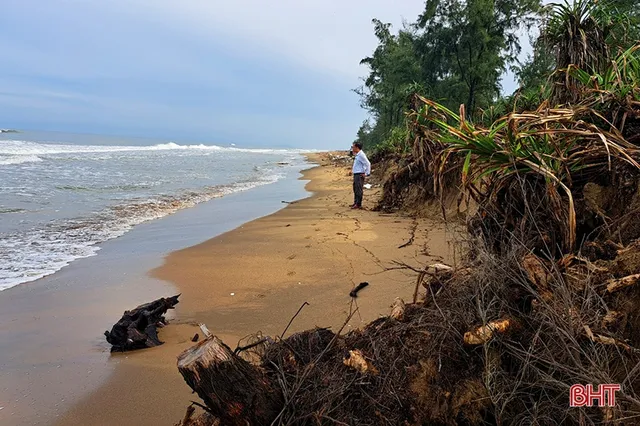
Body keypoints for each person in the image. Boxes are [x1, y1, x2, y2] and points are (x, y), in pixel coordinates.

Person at [350, 142, 371, 209]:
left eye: (353, 147)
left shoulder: (361, 155)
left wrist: (367, 173)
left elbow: (368, 163)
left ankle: (358, 204)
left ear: (357, 147)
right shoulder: (358, 155)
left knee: (359, 189)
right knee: (355, 188)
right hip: (356, 174)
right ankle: (355, 202)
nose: (352, 148)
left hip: (359, 174)